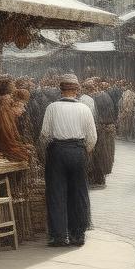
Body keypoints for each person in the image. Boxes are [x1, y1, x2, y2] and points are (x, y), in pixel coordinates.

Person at [39, 73, 96, 247]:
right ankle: (78, 234)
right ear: (77, 90)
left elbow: (44, 135)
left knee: (57, 193)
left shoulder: (52, 108)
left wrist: (50, 151)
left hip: (57, 151)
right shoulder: (85, 108)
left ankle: (59, 236)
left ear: (60, 89)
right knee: (79, 193)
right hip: (78, 151)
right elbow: (92, 137)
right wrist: (82, 151)